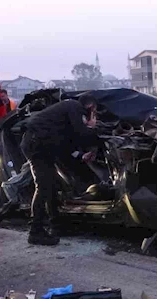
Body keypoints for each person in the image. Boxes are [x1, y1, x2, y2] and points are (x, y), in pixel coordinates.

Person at [20, 94, 99, 246]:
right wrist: (93, 128)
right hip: (37, 145)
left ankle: (56, 226)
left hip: (42, 145)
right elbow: (82, 133)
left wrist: (81, 156)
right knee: (44, 186)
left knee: (52, 185)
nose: (93, 114)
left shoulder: (66, 117)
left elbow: (66, 144)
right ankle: (35, 232)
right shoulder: (74, 106)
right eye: (94, 111)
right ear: (90, 106)